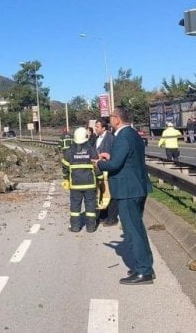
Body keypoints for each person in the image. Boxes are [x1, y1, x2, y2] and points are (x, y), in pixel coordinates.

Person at [95, 106, 155, 285]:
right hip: (137, 187)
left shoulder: (122, 137)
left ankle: (143, 271)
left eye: (111, 116)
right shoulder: (133, 135)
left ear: (117, 119)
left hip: (127, 190)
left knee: (132, 231)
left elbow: (114, 165)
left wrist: (100, 163)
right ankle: (146, 266)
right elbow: (126, 158)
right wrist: (110, 156)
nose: (109, 119)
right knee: (138, 229)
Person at [62, 127, 101, 233]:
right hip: (90, 184)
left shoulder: (69, 151)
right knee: (91, 206)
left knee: (75, 206)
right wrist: (100, 178)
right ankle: (91, 227)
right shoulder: (91, 150)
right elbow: (96, 166)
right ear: (86, 137)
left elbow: (65, 167)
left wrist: (66, 179)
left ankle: (75, 227)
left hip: (75, 184)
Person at [93, 118, 117, 227]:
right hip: (98, 170)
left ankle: (112, 218)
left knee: (110, 193)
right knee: (102, 192)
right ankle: (103, 215)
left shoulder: (110, 138)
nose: (95, 128)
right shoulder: (96, 138)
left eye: (97, 127)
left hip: (107, 169)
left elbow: (113, 154)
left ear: (103, 128)